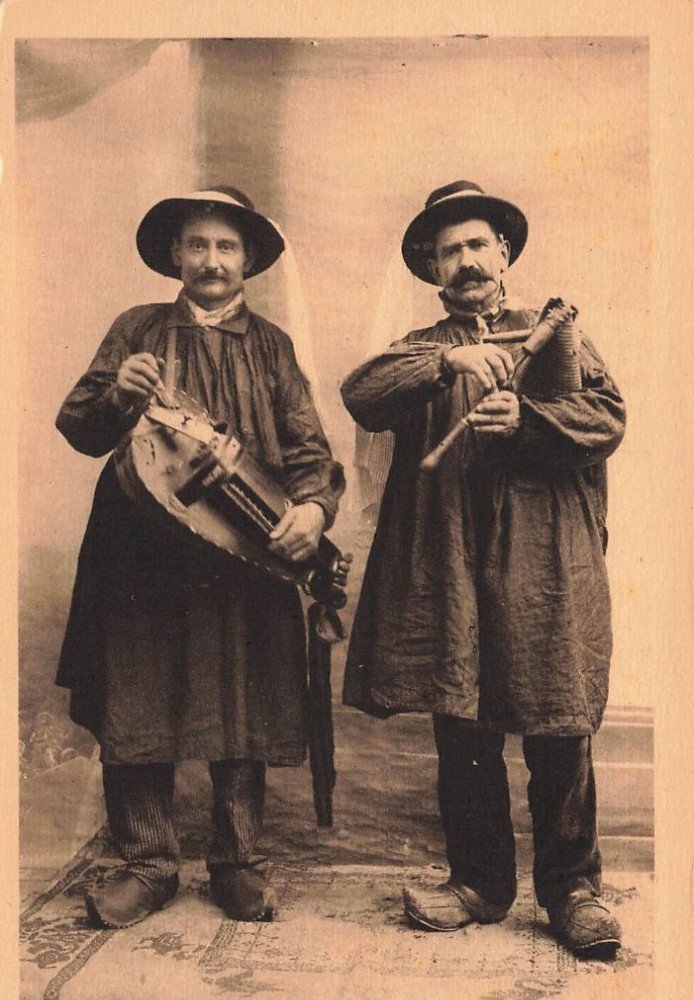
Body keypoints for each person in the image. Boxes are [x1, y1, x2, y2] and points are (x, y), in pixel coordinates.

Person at [340, 181, 626, 957]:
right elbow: (360, 395)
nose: (465, 261)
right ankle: (480, 883)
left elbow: (607, 417)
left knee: (558, 722)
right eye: (448, 251)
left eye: (477, 245)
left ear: (504, 252)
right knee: (461, 720)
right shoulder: (420, 346)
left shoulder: (554, 331)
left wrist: (526, 419)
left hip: (543, 559)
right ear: (432, 268)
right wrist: (449, 362)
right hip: (451, 560)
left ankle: (573, 890)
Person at [56, 187, 344, 928]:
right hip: (140, 551)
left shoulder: (272, 346)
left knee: (240, 695)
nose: (211, 261)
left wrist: (311, 510)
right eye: (198, 245)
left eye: (226, 247)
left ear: (247, 259)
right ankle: (147, 863)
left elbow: (310, 450)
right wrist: (118, 393)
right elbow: (80, 426)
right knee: (139, 691)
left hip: (242, 555)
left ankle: (237, 860)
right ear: (175, 255)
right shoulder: (137, 329)